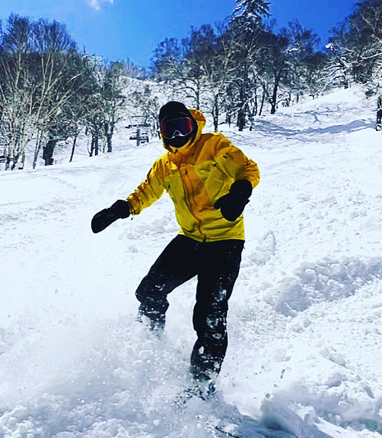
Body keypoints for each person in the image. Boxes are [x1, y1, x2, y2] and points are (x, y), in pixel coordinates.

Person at [91, 101, 259, 397]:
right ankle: (150, 345)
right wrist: (120, 209)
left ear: (193, 124)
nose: (179, 134)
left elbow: (246, 168)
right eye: (171, 129)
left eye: (183, 125)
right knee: (149, 291)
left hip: (225, 242)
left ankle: (201, 386)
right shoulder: (164, 165)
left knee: (210, 315)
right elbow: (146, 191)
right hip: (190, 240)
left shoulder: (214, 145)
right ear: (162, 134)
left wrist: (239, 192)